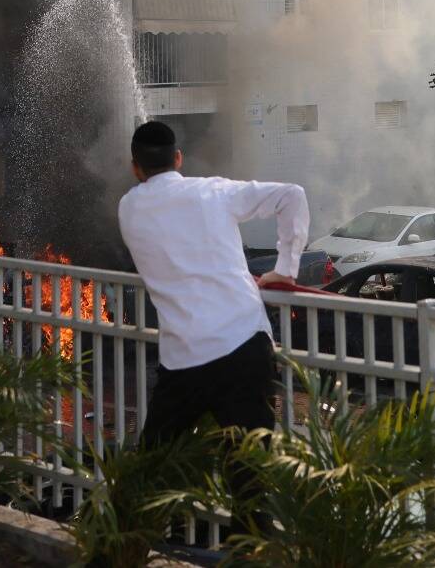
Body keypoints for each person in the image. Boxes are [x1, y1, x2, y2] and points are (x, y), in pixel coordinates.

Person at [118, 120, 308, 446]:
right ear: (178, 158)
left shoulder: (127, 208)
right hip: (243, 344)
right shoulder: (212, 191)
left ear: (135, 168)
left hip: (182, 358)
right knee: (251, 469)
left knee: (154, 466)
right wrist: (285, 269)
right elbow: (292, 195)